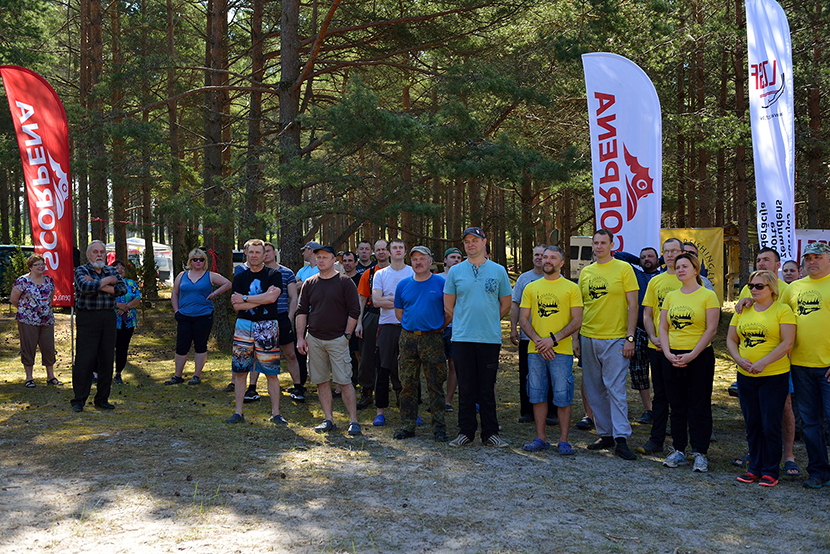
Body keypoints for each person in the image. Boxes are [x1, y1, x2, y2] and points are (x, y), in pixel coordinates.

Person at [732, 247, 799, 476]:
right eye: (758, 259)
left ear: (777, 265)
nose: (761, 263)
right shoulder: (748, 292)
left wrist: (765, 362)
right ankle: (755, 460)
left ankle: (786, 458)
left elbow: (789, 334)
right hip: (748, 370)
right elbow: (735, 331)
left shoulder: (789, 289)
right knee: (754, 418)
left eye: (766, 260)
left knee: (781, 411)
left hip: (779, 365)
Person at [444, 227, 512, 448]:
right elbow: (448, 305)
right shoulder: (456, 271)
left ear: (484, 242)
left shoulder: (498, 270)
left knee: (487, 388)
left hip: (489, 338)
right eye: (467, 241)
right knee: (465, 387)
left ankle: (490, 433)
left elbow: (506, 304)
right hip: (462, 338)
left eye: (475, 240)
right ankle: (466, 432)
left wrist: (489, 319)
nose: (470, 244)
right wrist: (465, 321)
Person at [576, 229, 639, 460]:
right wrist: (575, 338)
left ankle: (621, 438)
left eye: (603, 242)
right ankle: (606, 434)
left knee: (615, 388)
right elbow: (580, 307)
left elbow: (633, 305)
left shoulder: (624, 269)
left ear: (612, 245)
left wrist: (630, 337)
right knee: (594, 388)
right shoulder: (586, 272)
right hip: (588, 336)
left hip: (616, 338)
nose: (599, 246)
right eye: (596, 243)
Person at [518, 245, 583, 455]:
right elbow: (523, 319)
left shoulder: (571, 288)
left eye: (553, 258)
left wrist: (553, 340)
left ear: (561, 263)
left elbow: (577, 320)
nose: (547, 260)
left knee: (563, 395)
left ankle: (564, 441)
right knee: (537, 394)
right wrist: (539, 342)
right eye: (545, 257)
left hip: (561, 351)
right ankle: (540, 438)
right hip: (535, 350)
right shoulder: (531, 287)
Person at [659, 252, 720, 473]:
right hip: (672, 357)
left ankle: (700, 452)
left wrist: (692, 355)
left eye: (685, 266)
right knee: (676, 405)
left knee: (699, 405)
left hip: (699, 357)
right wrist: (667, 353)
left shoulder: (707, 295)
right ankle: (679, 450)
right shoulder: (671, 296)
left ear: (696, 270)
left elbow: (711, 329)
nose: (680, 270)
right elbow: (663, 327)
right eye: (678, 267)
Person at [296, 245, 362, 435]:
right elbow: (301, 311)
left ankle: (353, 421)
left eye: (325, 257)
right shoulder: (309, 283)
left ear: (334, 260)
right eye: (319, 257)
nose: (321, 260)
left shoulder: (344, 282)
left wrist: (347, 335)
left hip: (338, 339)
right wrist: (300, 337)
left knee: (345, 381)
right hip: (314, 339)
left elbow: (354, 310)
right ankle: (328, 419)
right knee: (321, 381)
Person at [779, 242, 830, 489]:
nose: (812, 261)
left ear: (828, 259)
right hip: (800, 366)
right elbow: (775, 313)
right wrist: (745, 302)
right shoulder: (794, 288)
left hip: (828, 367)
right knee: (810, 423)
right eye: (808, 258)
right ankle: (819, 472)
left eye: (818, 257)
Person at [393, 246, 449, 441]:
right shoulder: (403, 285)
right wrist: (412, 327)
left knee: (435, 384)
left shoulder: (441, 283)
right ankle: (408, 426)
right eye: (415, 259)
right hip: (408, 339)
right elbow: (399, 313)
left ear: (430, 261)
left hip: (432, 339)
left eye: (422, 258)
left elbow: (449, 312)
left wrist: (438, 327)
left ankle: (439, 428)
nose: (418, 262)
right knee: (407, 384)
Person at [226, 239, 284, 424]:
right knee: (240, 370)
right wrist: (263, 298)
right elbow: (236, 306)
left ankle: (276, 413)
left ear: (264, 254)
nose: (254, 255)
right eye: (251, 252)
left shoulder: (274, 274)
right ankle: (238, 412)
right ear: (246, 253)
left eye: (258, 252)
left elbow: (272, 298)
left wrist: (245, 298)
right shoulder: (240, 277)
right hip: (244, 325)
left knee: (271, 371)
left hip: (267, 325)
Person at [241, 242, 304, 403]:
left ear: (275, 252)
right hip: (260, 318)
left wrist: (289, 317)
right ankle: (252, 388)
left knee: (290, 353)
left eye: (269, 251)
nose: (267, 254)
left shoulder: (286, 272)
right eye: (264, 252)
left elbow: (293, 297)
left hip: (281, 317)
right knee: (257, 354)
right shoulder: (254, 273)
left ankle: (298, 387)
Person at [638, 238, 684, 455]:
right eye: (667, 251)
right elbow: (647, 314)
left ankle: (680, 443)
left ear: (683, 253)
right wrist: (653, 336)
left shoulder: (692, 281)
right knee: (660, 396)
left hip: (681, 348)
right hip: (655, 347)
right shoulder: (655, 281)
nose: (671, 255)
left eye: (675, 251)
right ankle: (656, 439)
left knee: (681, 397)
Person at [71, 240, 128, 412]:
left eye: (102, 252)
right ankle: (79, 400)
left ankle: (102, 399)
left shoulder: (112, 270)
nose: (99, 255)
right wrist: (108, 282)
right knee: (85, 359)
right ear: (88, 255)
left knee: (106, 359)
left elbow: (122, 289)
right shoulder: (81, 270)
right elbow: (85, 287)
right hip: (87, 317)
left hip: (108, 318)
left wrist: (100, 282)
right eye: (95, 252)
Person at [167, 248, 232, 385]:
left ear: (205, 261)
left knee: (200, 345)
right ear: (190, 261)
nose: (198, 262)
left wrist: (214, 294)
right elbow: (174, 293)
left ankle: (196, 376)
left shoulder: (210, 276)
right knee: (181, 346)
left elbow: (228, 283)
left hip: (204, 316)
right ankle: (177, 376)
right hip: (184, 315)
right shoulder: (182, 275)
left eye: (201, 259)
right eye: (195, 259)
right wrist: (176, 311)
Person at [614, 246, 661, 424]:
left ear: (658, 259)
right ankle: (648, 409)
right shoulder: (636, 274)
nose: (647, 259)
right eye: (643, 257)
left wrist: (661, 262)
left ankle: (662, 406)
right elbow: (618, 255)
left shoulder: (664, 275)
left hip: (660, 331)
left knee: (661, 371)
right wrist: (640, 262)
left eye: (650, 256)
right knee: (639, 371)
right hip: (639, 330)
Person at [371, 238, 415, 426]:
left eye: (401, 247)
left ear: (405, 252)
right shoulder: (380, 274)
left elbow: (416, 302)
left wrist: (390, 299)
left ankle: (412, 411)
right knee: (383, 368)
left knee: (410, 369)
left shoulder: (413, 273)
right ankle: (380, 411)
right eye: (394, 248)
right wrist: (401, 302)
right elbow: (376, 301)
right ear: (389, 252)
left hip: (408, 327)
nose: (397, 250)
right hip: (387, 326)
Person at [511, 244, 556, 425]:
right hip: (527, 337)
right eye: (536, 255)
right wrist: (513, 328)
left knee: (551, 374)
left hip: (551, 338)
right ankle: (528, 411)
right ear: (532, 257)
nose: (539, 258)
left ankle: (552, 411)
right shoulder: (524, 279)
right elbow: (515, 304)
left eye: (542, 255)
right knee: (527, 374)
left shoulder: (556, 279)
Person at [11, 254, 60, 388]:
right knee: (28, 348)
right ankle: (29, 378)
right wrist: (27, 311)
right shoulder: (22, 281)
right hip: (27, 321)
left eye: (42, 264)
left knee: (48, 348)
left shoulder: (49, 280)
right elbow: (14, 299)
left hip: (46, 320)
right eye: (37, 265)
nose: (40, 267)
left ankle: (51, 376)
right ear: (30, 267)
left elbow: (50, 297)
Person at [355, 239, 390, 409]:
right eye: (378, 249)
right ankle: (367, 392)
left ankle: (399, 391)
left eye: (384, 249)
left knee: (394, 355)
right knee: (367, 356)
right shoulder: (368, 274)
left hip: (395, 317)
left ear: (389, 251)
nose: (381, 252)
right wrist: (359, 323)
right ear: (375, 252)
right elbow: (361, 300)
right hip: (373, 316)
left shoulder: (401, 272)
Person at [112, 260, 141, 385]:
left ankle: (118, 373)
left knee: (122, 347)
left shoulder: (131, 283)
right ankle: (101, 372)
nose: (120, 270)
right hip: (112, 321)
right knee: (108, 347)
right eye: (116, 268)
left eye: (122, 268)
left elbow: (137, 298)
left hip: (128, 321)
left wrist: (126, 307)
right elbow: (104, 299)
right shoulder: (108, 284)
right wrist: (118, 305)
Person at [442, 247, 463, 411]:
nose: (456, 260)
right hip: (438, 328)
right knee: (435, 365)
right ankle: (436, 399)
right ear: (445, 260)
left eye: (459, 258)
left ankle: (448, 401)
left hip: (457, 328)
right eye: (452, 257)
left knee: (454, 365)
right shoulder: (437, 278)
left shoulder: (464, 279)